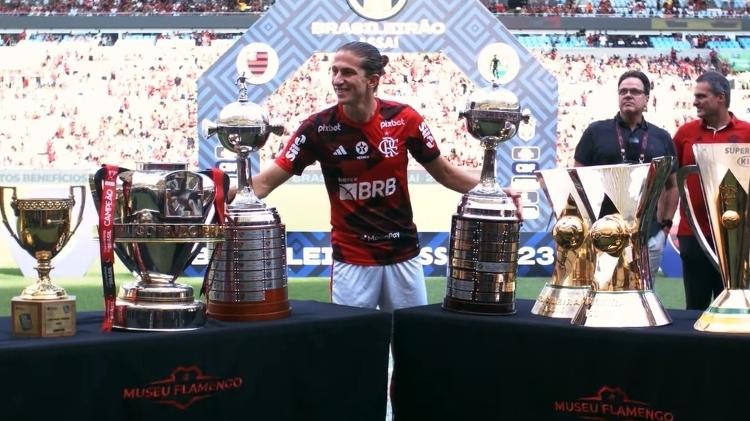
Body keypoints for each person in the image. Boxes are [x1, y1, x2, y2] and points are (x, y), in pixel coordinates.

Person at [252, 41, 517, 311]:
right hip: (352, 259)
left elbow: (446, 174)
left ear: (372, 80)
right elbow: (264, 183)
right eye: (334, 71)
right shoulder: (317, 128)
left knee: (410, 344)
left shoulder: (405, 118)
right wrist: (219, 196)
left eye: (347, 72)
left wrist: (497, 193)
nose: (337, 80)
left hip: (403, 255)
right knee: (354, 349)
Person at [573, 70, 678, 284]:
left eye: (634, 91)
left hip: (647, 234)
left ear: (646, 98)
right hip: (601, 232)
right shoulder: (596, 132)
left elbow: (672, 186)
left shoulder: (661, 137)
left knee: (643, 296)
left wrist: (665, 227)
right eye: (623, 91)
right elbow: (577, 180)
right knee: (599, 295)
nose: (628, 95)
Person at [674, 71, 750, 310]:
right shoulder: (685, 133)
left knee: (734, 305)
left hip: (738, 236)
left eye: (701, 96)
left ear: (721, 97)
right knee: (694, 307)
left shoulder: (747, 133)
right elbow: (672, 179)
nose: (695, 101)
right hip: (694, 234)